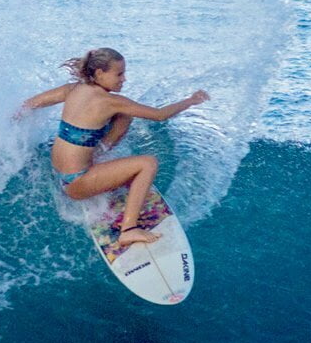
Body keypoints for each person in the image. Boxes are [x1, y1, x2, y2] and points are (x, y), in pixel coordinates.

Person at [20, 47, 209, 248]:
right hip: (77, 183)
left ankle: (100, 158)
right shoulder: (111, 101)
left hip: (59, 171)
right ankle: (129, 230)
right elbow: (160, 114)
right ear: (100, 73)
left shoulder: (73, 89)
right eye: (119, 74)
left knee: (124, 117)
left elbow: (31, 104)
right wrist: (191, 100)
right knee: (148, 163)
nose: (124, 79)